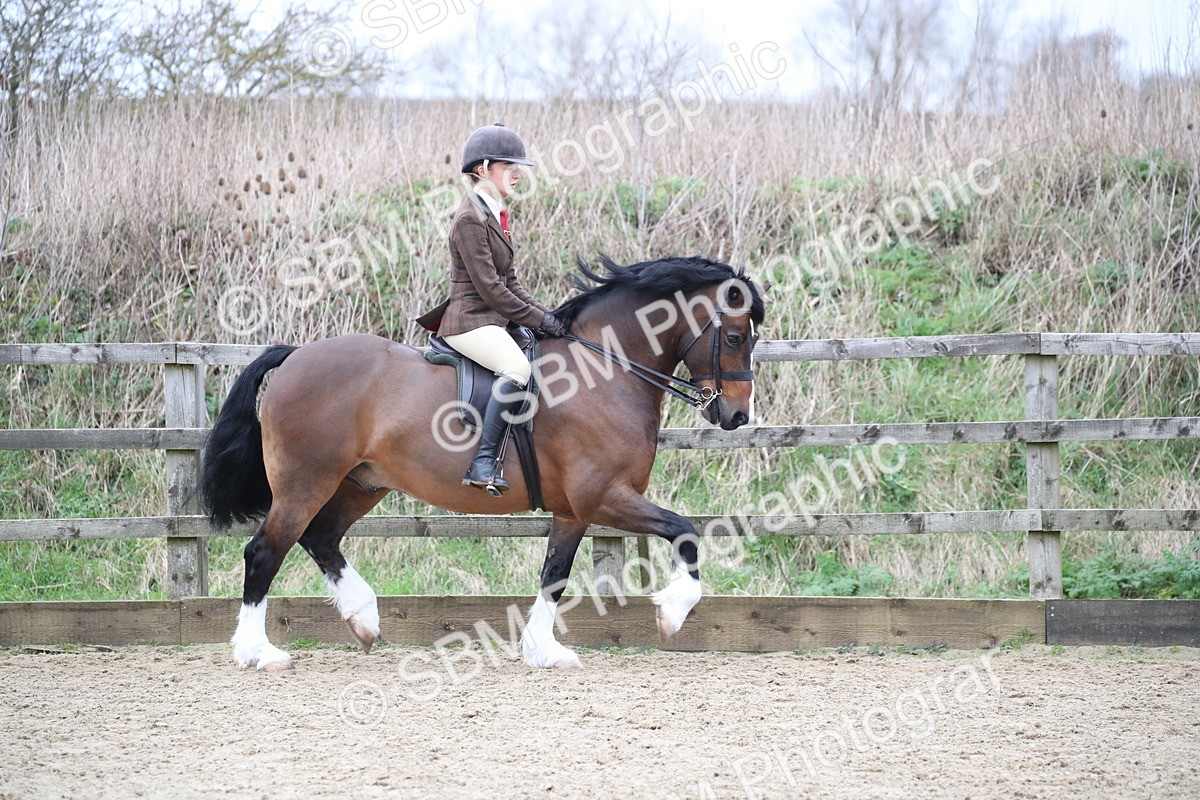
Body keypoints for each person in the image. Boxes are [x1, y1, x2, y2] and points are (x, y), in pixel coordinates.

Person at [416, 123, 568, 494]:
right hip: (470, 321)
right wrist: (539, 319)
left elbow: (511, 282)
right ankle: (483, 462)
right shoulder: (470, 219)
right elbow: (492, 290)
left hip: (492, 319)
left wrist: (550, 317)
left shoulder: (496, 214)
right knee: (515, 367)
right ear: (483, 169)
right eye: (508, 166)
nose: (518, 173)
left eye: (519, 167)